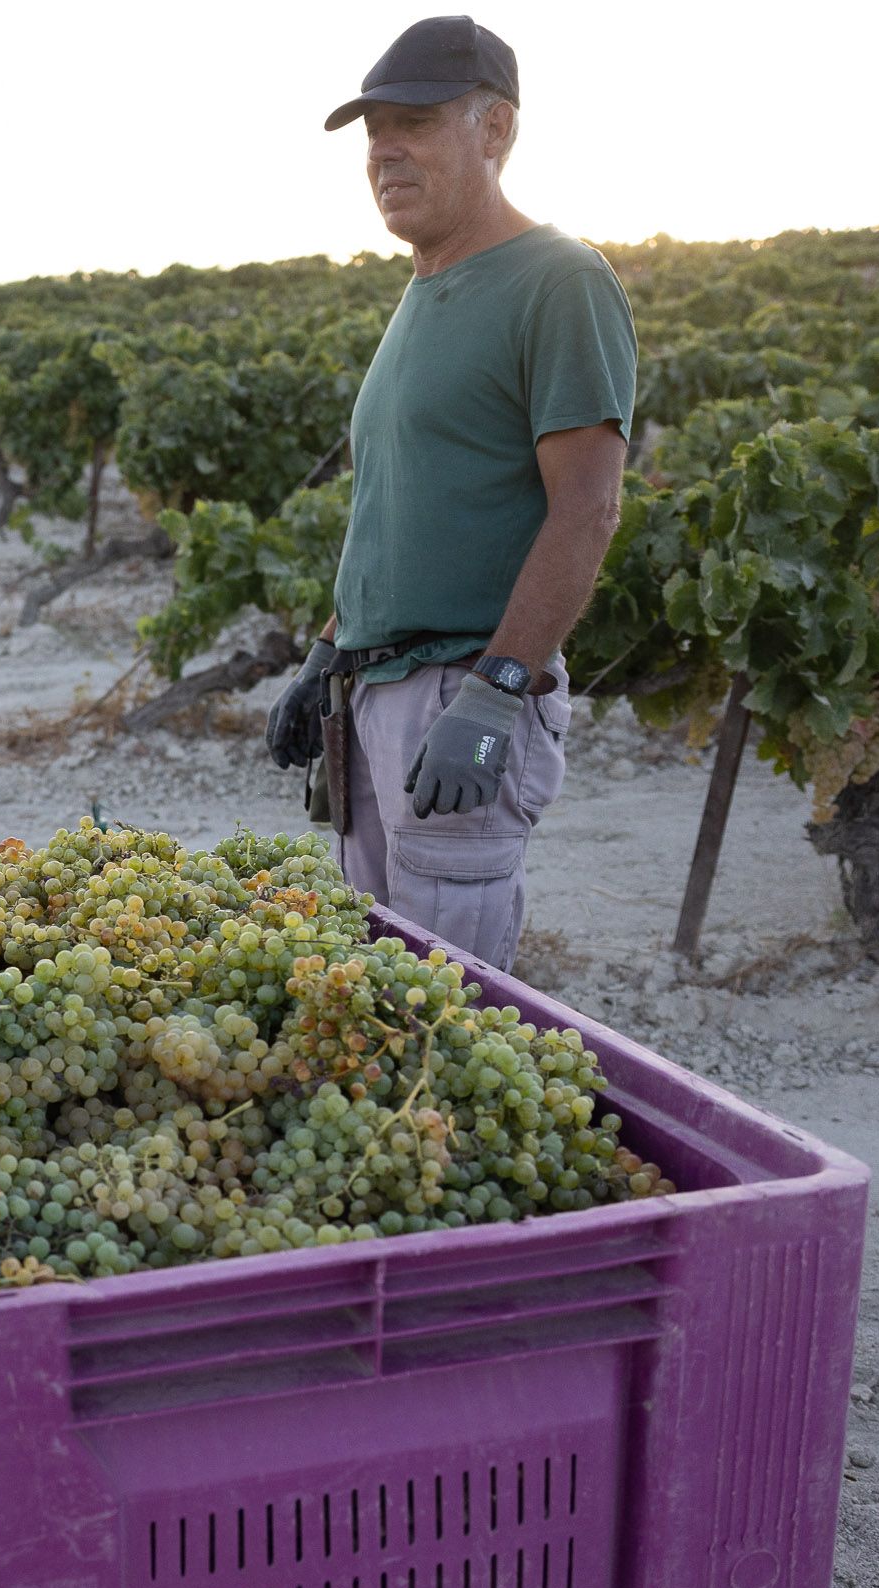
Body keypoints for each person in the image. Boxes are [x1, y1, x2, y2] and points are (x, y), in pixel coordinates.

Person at [267, 14, 635, 972]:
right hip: (375, 694)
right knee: (373, 993)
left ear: (496, 129)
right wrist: (326, 652)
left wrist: (498, 692)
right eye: (373, 129)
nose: (385, 150)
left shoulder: (557, 281)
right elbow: (397, 510)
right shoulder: (424, 287)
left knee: (444, 1013)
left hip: (459, 698)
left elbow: (587, 508)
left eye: (416, 123)